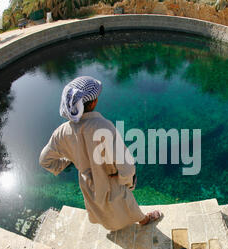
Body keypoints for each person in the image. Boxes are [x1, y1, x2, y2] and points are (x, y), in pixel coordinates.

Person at [39, 76, 161, 231]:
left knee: (102, 211)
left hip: (87, 181)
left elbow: (44, 160)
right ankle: (144, 220)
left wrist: (69, 159)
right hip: (110, 180)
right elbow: (127, 167)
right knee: (127, 205)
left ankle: (113, 227)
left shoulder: (61, 132)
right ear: (94, 102)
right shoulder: (103, 127)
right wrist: (127, 182)